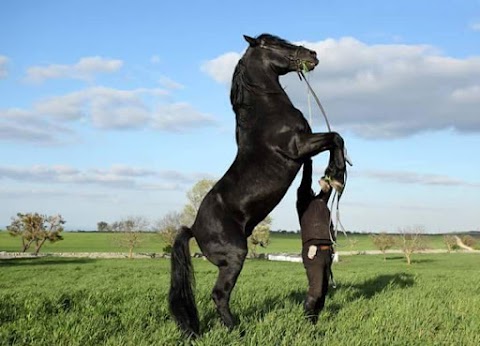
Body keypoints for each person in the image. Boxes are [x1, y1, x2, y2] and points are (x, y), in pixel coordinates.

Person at [296, 158, 335, 323]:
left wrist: (326, 179)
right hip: (313, 252)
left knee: (324, 290)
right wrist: (308, 161)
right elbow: (305, 181)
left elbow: (328, 186)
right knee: (316, 290)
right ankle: (307, 322)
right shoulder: (303, 204)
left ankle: (315, 319)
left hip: (327, 252)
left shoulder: (320, 201)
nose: (310, 191)